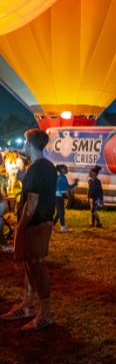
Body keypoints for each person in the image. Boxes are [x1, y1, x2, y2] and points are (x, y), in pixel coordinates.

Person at [0, 128, 58, 330]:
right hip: (44, 222)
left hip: (34, 224)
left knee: (36, 265)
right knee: (30, 265)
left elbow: (32, 203)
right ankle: (27, 305)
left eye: (25, 142)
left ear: (30, 144)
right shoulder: (49, 166)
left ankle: (45, 313)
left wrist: (20, 227)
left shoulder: (35, 169)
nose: (23, 146)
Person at [53, 165, 77, 233]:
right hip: (58, 197)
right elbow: (68, 187)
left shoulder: (58, 177)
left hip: (56, 196)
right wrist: (75, 183)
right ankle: (63, 227)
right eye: (65, 168)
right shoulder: (63, 177)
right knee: (61, 212)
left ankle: (51, 226)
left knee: (59, 212)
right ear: (61, 170)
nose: (67, 169)